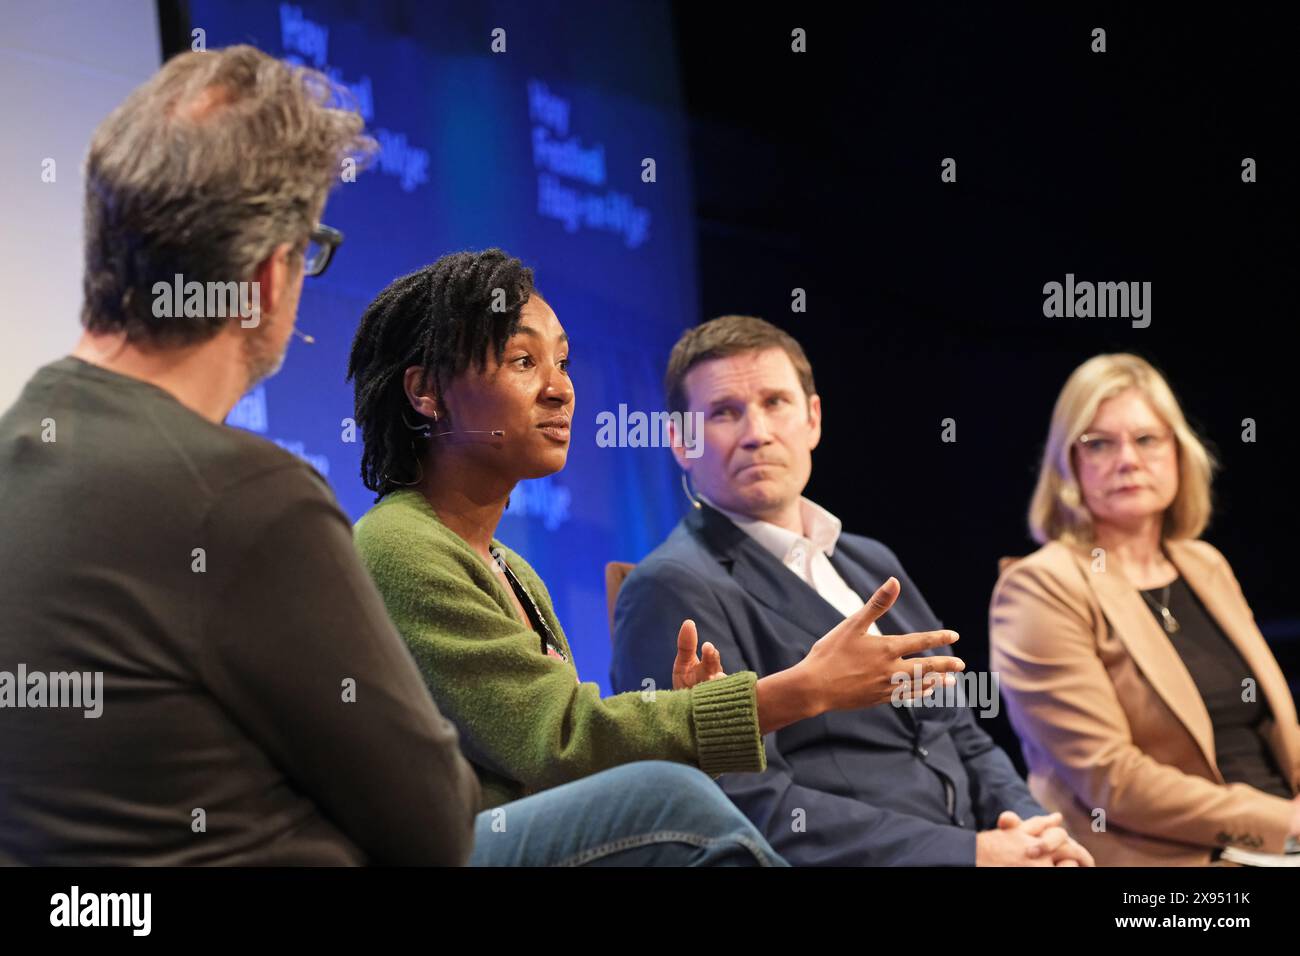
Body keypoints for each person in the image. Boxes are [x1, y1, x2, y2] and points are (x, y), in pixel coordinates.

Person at [0, 45, 765, 868]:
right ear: (267, 274)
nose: (557, 388)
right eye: (313, 249)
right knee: (674, 805)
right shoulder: (250, 500)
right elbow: (434, 822)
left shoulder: (24, 454)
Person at [346, 249, 965, 839]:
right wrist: (799, 691)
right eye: (522, 361)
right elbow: (561, 741)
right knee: (676, 806)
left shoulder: (514, 570)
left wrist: (680, 717)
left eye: (562, 362)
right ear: (426, 392)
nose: (560, 389)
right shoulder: (399, 545)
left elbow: (568, 756)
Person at [612, 314, 1094, 866]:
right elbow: (746, 806)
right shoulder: (671, 587)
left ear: (813, 419)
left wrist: (1035, 832)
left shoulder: (871, 561)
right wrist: (972, 853)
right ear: (679, 441)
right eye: (724, 413)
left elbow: (961, 732)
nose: (757, 433)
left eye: (775, 403)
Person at [989, 353, 1300, 865]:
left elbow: (1274, 729)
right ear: (1068, 464)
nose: (1128, 460)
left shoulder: (1204, 564)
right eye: (1099, 444)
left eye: (1147, 439)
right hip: (1170, 858)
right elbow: (1112, 780)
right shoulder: (1039, 586)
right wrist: (1281, 825)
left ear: (1179, 452)